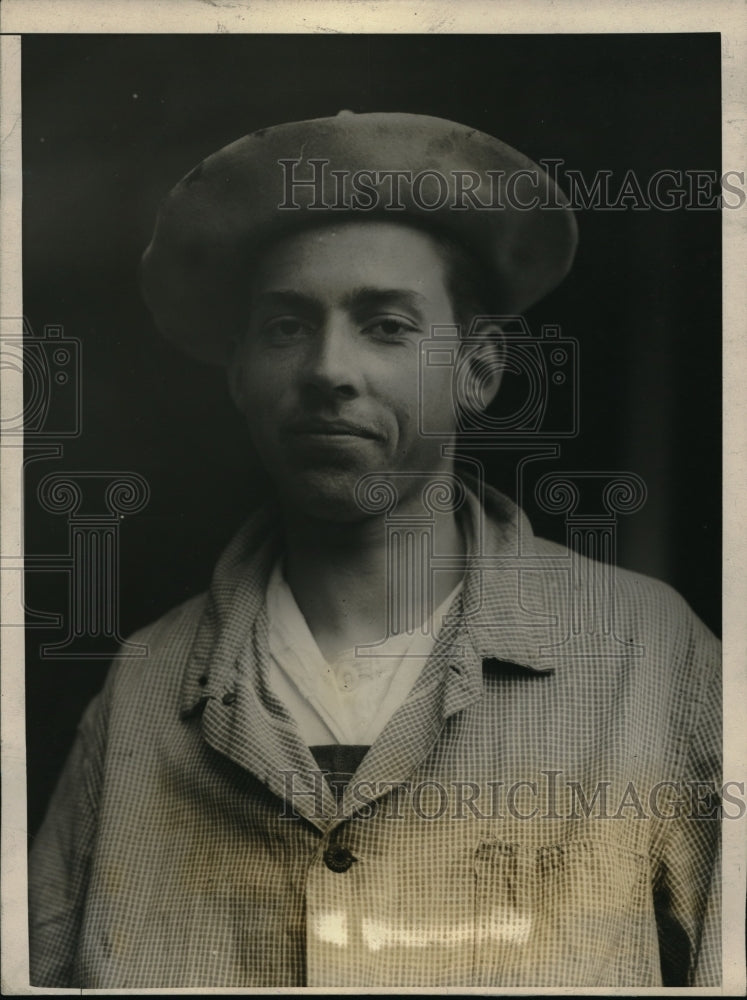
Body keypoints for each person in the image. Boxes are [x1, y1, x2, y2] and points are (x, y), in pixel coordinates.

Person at [28, 111, 721, 988]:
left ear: (478, 367)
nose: (328, 370)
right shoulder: (142, 687)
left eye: (386, 325)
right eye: (285, 328)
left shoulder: (646, 655)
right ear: (240, 371)